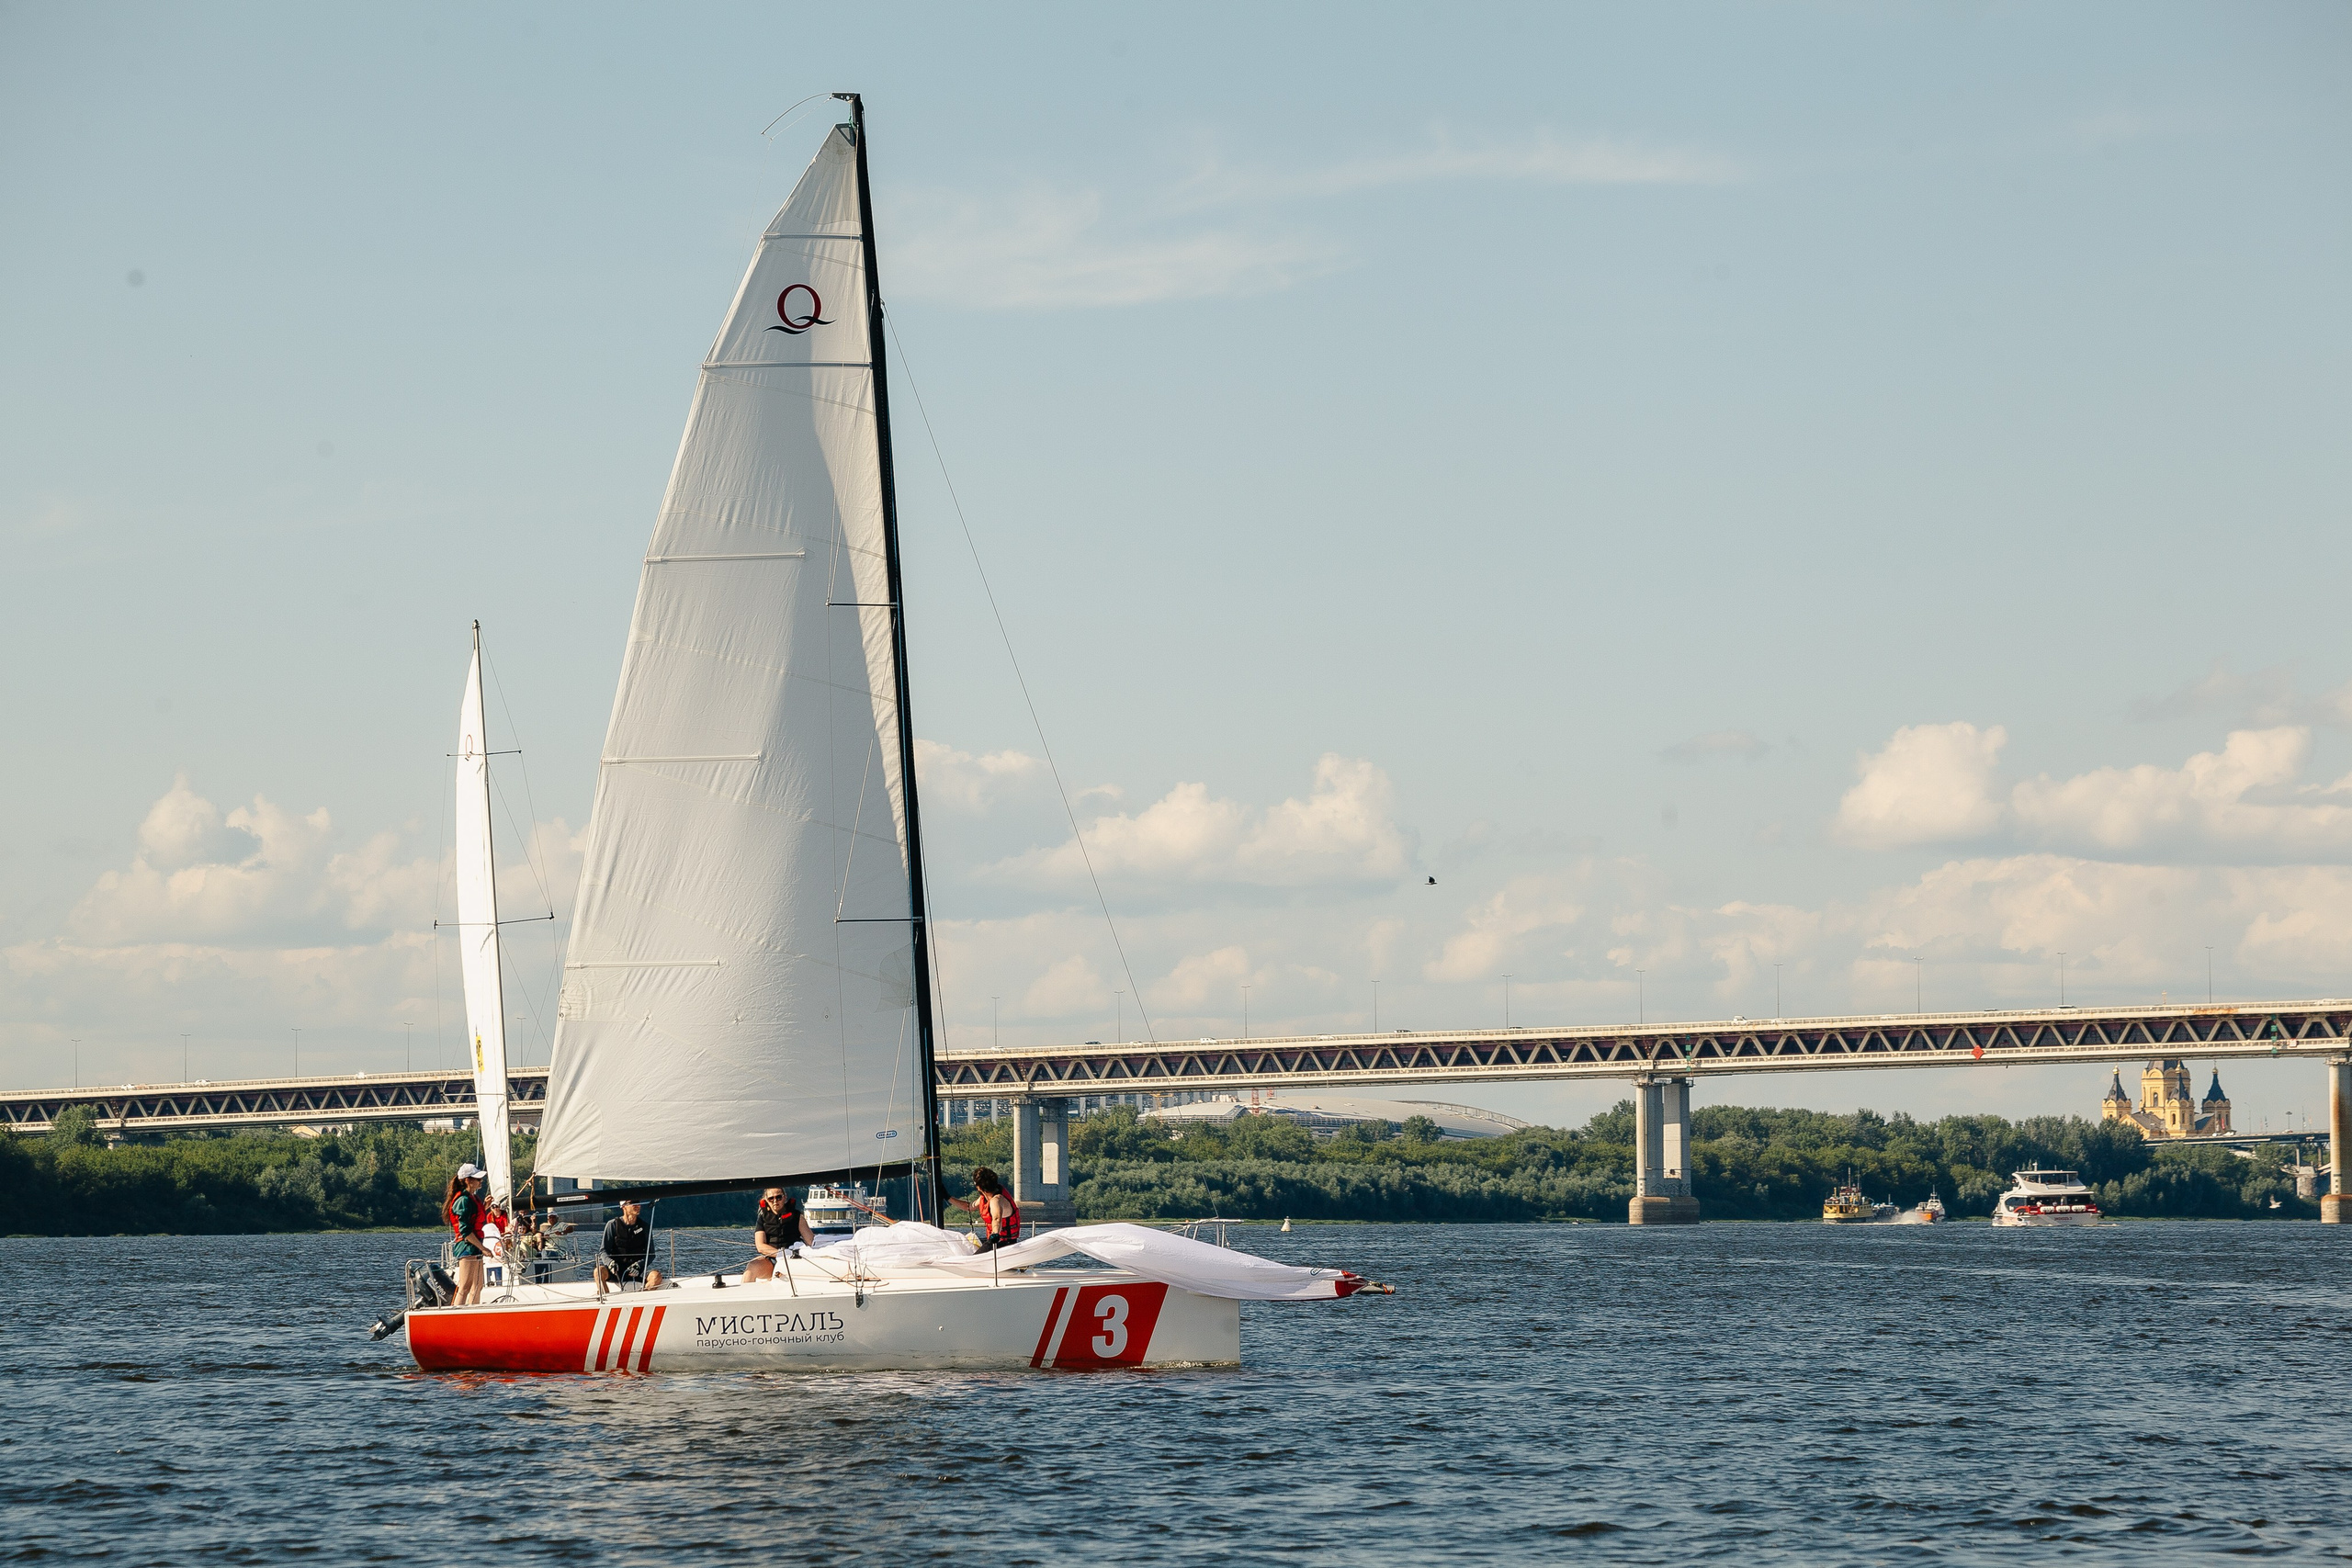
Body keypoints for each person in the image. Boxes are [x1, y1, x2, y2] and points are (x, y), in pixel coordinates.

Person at [739, 1187, 814, 1282]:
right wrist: (782, 1254)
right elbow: (760, 1246)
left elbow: (811, 1241)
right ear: (766, 1200)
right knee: (752, 1267)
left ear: (784, 1198)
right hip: (772, 1260)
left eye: (778, 1197)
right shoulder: (762, 1219)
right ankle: (746, 1295)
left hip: (794, 1259)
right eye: (771, 1198)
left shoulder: (797, 1217)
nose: (775, 1201)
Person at [594, 1201, 665, 1294]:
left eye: (639, 1203)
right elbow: (603, 1251)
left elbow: (651, 1254)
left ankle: (642, 1297)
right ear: (624, 1206)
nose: (638, 1206)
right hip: (615, 1271)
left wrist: (639, 1265)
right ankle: (606, 1299)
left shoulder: (645, 1227)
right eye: (633, 1203)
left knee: (656, 1276)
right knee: (598, 1271)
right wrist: (610, 1263)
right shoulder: (612, 1225)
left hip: (637, 1272)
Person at [443, 1164, 490, 1305]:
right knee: (465, 1286)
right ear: (468, 1180)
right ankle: (456, 1317)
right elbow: (465, 1230)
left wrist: (485, 1207)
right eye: (477, 1179)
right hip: (466, 1246)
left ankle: (472, 1313)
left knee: (478, 1285)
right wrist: (483, 1248)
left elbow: (474, 1219)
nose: (480, 1182)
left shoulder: (471, 1198)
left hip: (473, 1246)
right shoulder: (463, 1200)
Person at [947, 1167, 1022, 1251]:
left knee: (972, 1259)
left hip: (1004, 1242)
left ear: (978, 1187)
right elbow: (969, 1206)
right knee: (964, 1244)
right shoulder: (984, 1198)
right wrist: (948, 1197)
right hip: (994, 1240)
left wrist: (995, 1233)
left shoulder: (996, 1200)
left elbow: (997, 1218)